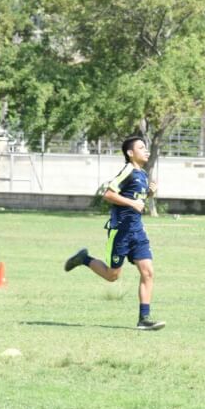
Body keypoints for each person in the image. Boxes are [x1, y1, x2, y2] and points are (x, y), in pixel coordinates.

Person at [64, 136, 164, 331]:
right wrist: (133, 203)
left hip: (138, 232)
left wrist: (150, 193)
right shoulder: (127, 170)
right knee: (112, 276)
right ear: (130, 153)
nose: (146, 150)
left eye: (146, 147)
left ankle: (144, 319)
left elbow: (138, 198)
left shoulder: (143, 175)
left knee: (148, 272)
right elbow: (108, 194)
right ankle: (84, 259)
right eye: (141, 147)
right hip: (120, 233)